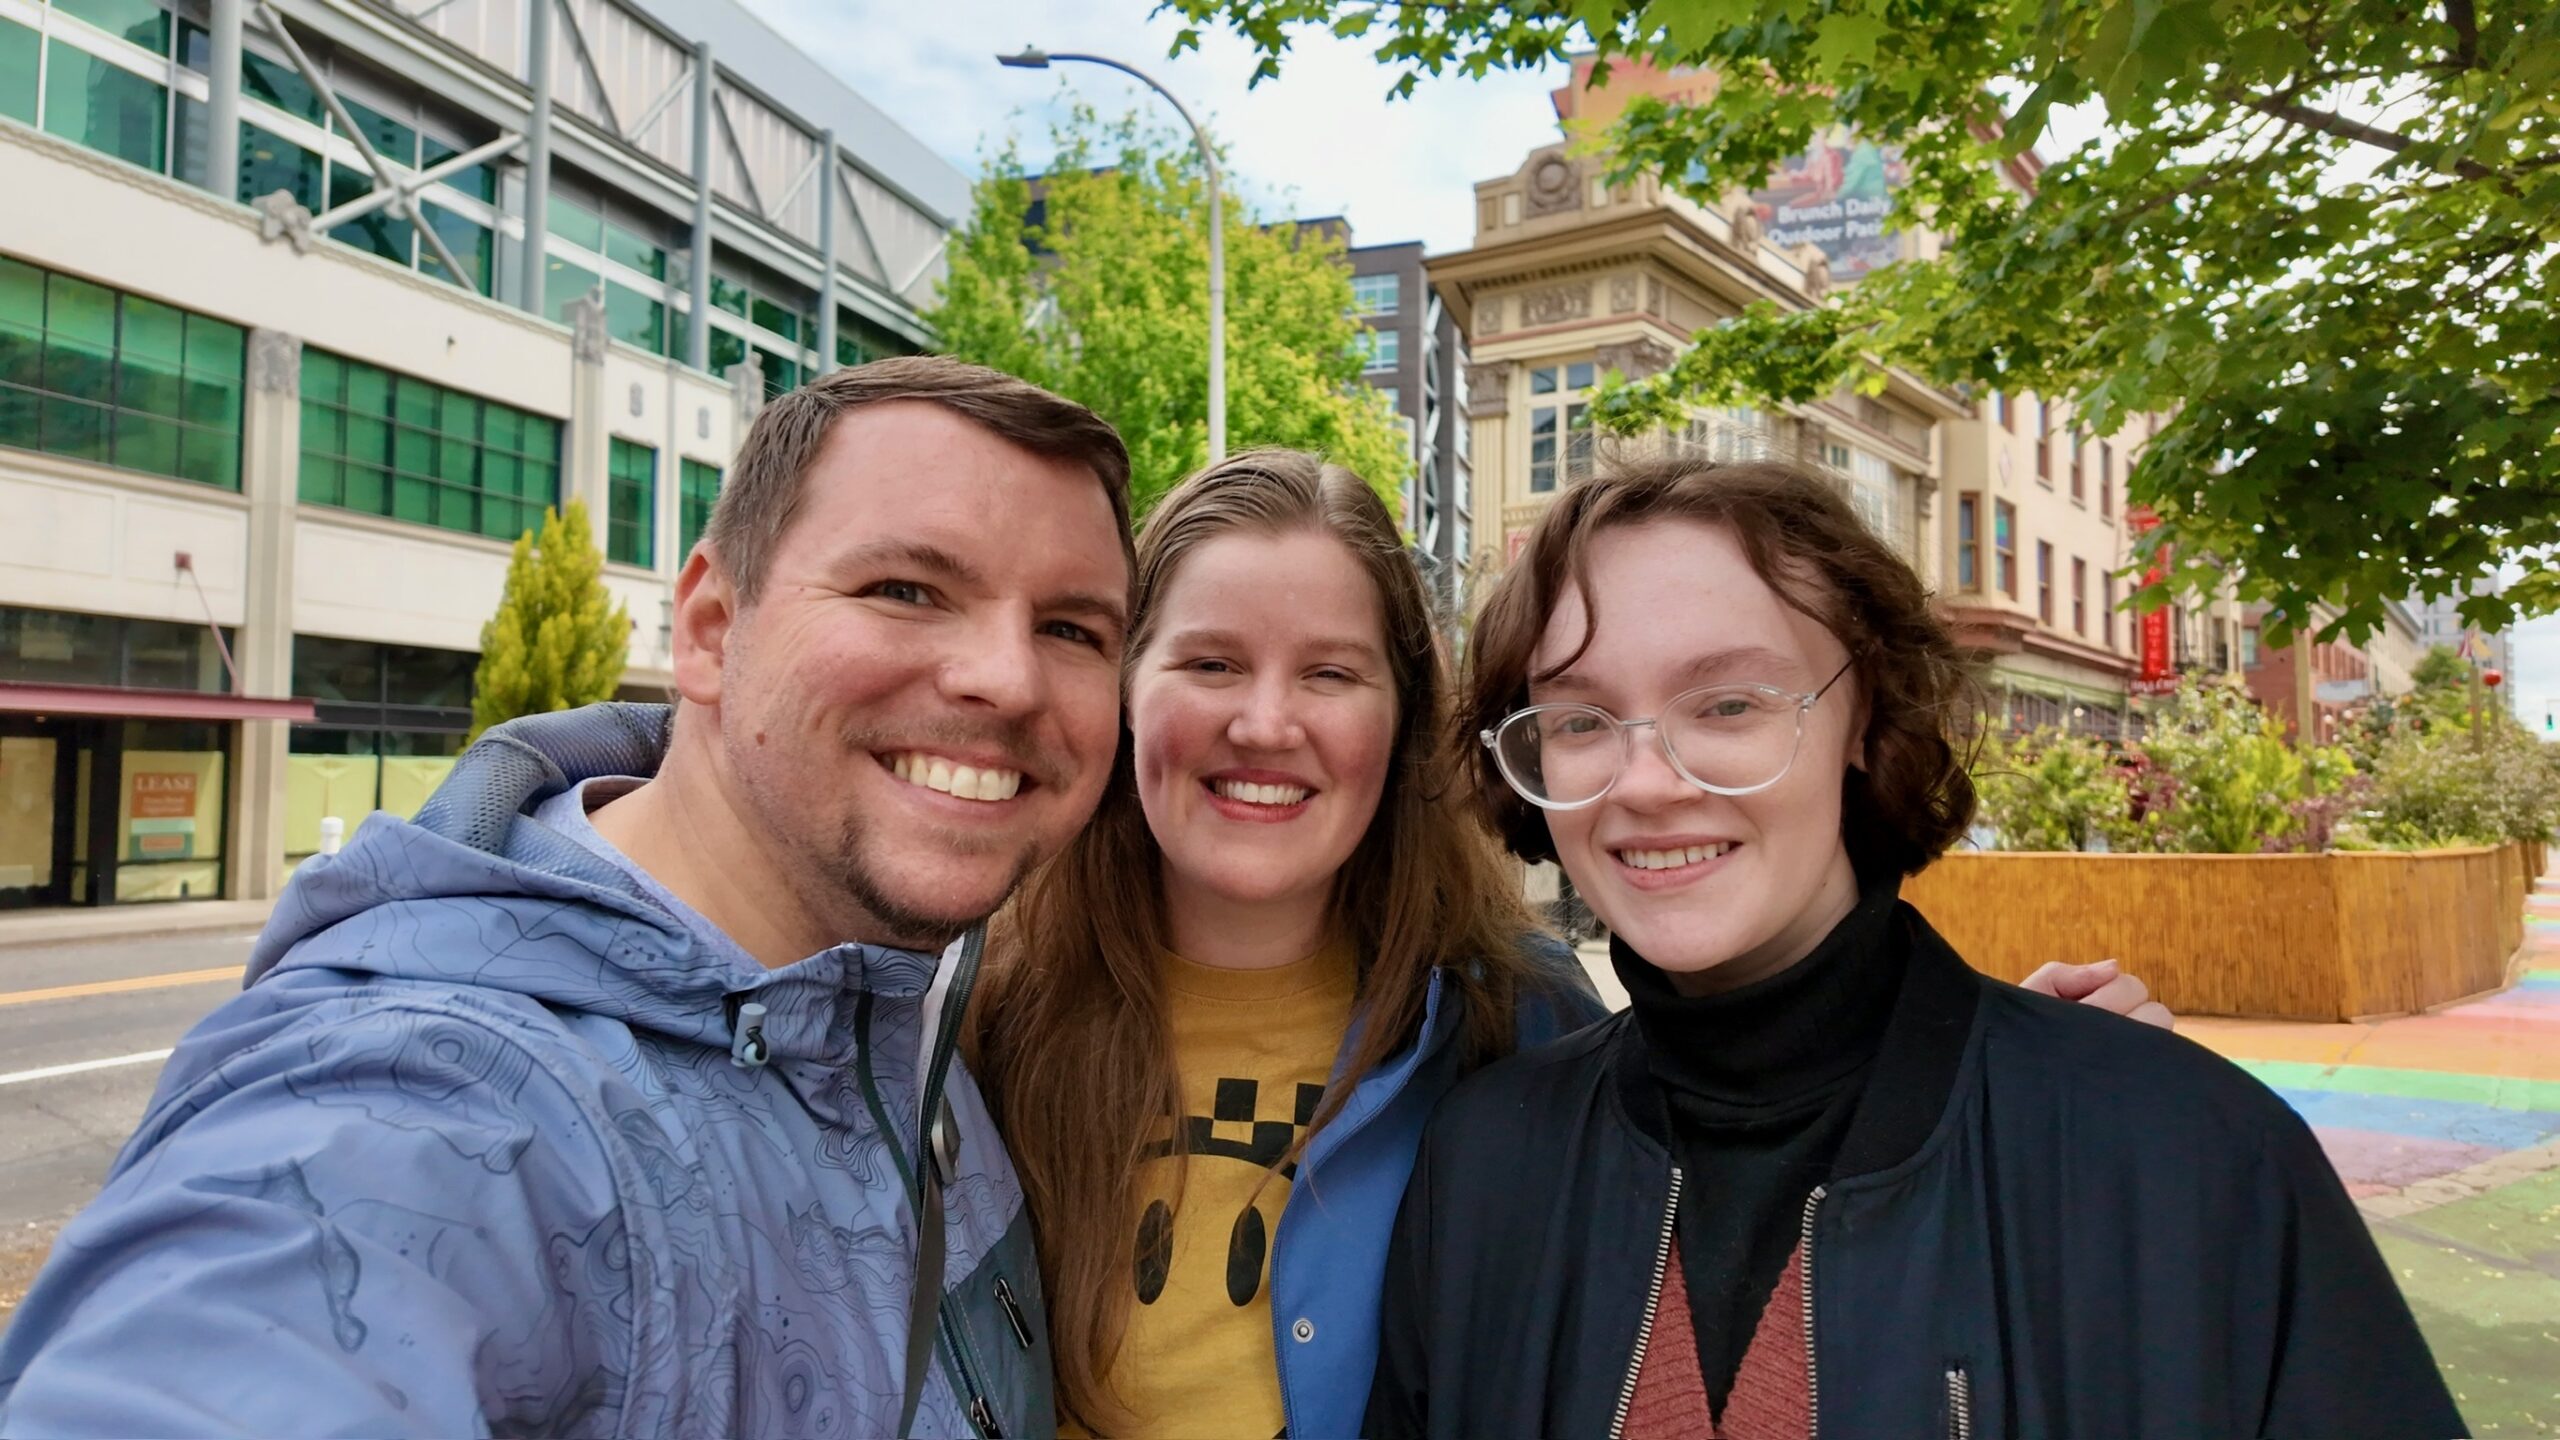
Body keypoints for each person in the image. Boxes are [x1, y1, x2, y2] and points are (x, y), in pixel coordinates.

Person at [0, 357, 1136, 1437]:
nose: (1007, 677)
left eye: (1072, 629)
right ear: (709, 630)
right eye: (905, 589)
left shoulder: (929, 1011)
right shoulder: (428, 1102)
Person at [971, 450, 2172, 1440]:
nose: (1264, 721)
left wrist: (2010, 1090)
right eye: (1209, 661)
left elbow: (1752, 1129)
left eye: (1330, 672)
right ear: (1127, 688)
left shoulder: (1511, 1017)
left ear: (1403, 719)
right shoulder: (973, 1018)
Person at [1365, 456, 2464, 1439]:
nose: (1645, 782)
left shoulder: (2186, 1161)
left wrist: (2083, 1117)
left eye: (1730, 703)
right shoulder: (1483, 1167)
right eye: (1579, 719)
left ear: (1866, 719)